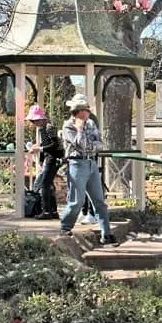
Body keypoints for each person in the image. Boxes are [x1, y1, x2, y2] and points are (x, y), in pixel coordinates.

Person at [59, 94, 116, 245]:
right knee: (77, 201)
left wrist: (90, 145)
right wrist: (80, 130)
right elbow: (81, 145)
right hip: (77, 164)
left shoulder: (91, 124)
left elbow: (100, 144)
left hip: (91, 163)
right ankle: (65, 227)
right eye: (86, 110)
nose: (89, 113)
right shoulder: (68, 126)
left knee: (99, 201)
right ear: (79, 111)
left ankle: (107, 234)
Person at [27, 105, 63, 220]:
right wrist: (40, 150)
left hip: (53, 158)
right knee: (48, 184)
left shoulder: (48, 128)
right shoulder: (42, 129)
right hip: (49, 158)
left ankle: (47, 211)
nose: (35, 123)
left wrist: (40, 149)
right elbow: (46, 145)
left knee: (45, 184)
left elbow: (55, 145)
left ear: (42, 118)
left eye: (36, 120)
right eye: (33, 121)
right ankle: (53, 210)